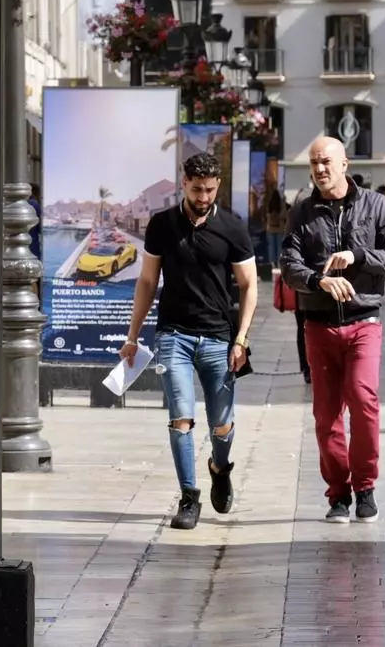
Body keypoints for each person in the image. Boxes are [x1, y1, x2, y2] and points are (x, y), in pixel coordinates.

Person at [120, 152, 257, 530]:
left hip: (219, 337)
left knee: (222, 425)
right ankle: (188, 497)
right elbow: (147, 282)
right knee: (180, 417)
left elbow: (248, 286)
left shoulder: (232, 227)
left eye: (210, 190)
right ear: (184, 184)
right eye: (197, 189)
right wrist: (132, 336)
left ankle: (220, 468)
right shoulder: (162, 225)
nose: (203, 197)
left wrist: (241, 340)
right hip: (173, 335)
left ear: (218, 186)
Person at [279, 136, 385, 524]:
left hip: (363, 319)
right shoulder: (302, 211)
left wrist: (359, 256)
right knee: (326, 414)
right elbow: (289, 264)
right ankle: (338, 493)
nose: (319, 169)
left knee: (362, 398)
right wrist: (318, 280)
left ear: (344, 164)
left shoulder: (376, 205)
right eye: (314, 163)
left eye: (326, 162)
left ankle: (365, 486)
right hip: (318, 324)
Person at [264, 188, 287, 266]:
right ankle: (279, 263)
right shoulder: (281, 204)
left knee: (271, 247)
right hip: (280, 229)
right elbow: (285, 215)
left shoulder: (269, 204)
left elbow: (266, 216)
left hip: (270, 228)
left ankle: (272, 263)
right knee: (279, 247)